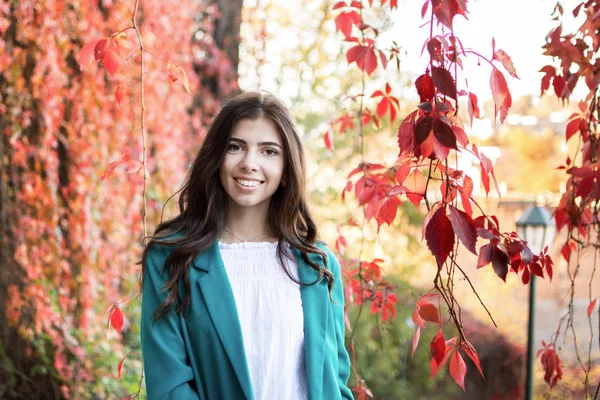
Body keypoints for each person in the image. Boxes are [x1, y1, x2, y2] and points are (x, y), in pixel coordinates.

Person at [140, 91, 353, 400]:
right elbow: (169, 387)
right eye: (236, 147)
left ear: (285, 169)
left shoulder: (318, 265)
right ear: (216, 157)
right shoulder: (171, 258)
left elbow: (335, 382)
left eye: (269, 151)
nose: (250, 163)